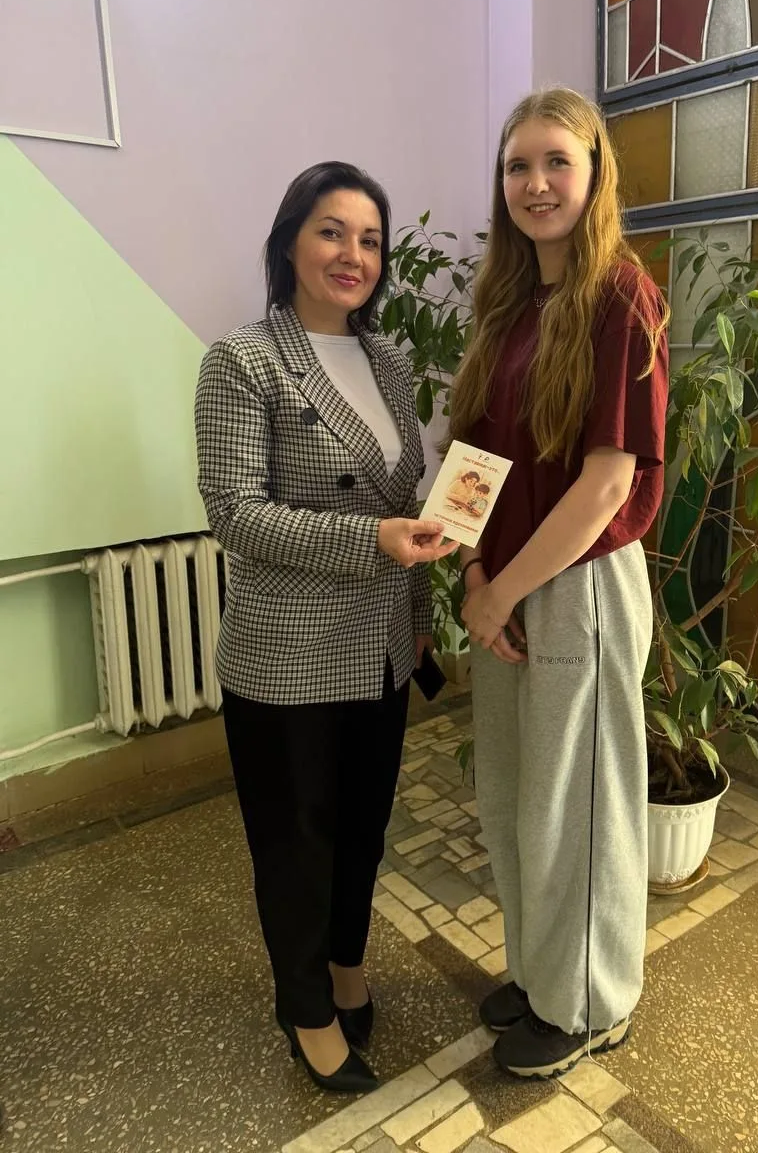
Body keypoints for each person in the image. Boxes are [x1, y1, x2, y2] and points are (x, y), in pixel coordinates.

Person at [194, 161, 456, 1095]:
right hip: (286, 655)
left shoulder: (389, 361)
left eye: (371, 240)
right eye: (332, 231)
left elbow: (404, 504)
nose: (355, 255)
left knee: (363, 828)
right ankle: (306, 1008)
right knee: (295, 843)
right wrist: (371, 541)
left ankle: (347, 962)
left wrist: (417, 618)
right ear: (290, 241)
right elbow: (236, 514)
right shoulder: (242, 360)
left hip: (379, 643)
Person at [449, 88, 669, 1079]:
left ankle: (588, 1003)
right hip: (504, 580)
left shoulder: (622, 295)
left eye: (555, 162)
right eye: (517, 166)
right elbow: (473, 457)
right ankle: (543, 970)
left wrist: (504, 591)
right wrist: (473, 568)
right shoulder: (508, 306)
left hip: (578, 580)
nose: (534, 183)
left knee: (577, 804)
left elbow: (607, 483)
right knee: (514, 793)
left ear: (593, 173)